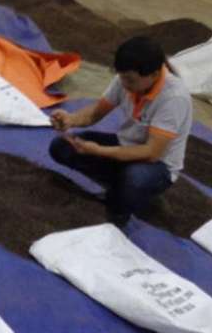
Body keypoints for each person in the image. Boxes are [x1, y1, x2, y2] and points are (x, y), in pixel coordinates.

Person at [49, 36, 193, 225]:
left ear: (154, 74)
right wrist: (71, 120)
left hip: (158, 165)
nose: (124, 84)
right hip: (125, 145)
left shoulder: (174, 99)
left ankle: (121, 208)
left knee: (135, 178)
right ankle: (122, 189)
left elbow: (151, 153)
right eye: (122, 77)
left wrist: (99, 151)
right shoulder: (125, 79)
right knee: (62, 146)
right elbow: (95, 113)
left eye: (130, 80)